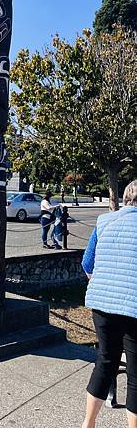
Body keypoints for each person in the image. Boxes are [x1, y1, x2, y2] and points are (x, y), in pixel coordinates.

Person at [81, 180, 137, 428]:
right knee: (135, 375)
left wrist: (104, 282)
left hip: (102, 303)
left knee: (105, 361)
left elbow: (87, 263)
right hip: (134, 307)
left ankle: (88, 423)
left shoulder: (104, 221)